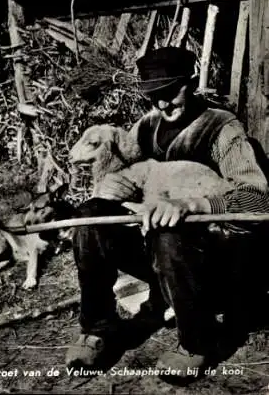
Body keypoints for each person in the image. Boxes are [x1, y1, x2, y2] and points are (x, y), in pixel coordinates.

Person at [65, 47, 269, 380]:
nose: (162, 104)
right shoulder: (147, 126)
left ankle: (197, 341)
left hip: (215, 259)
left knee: (171, 228)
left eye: (170, 92)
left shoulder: (221, 128)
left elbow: (258, 201)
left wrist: (193, 205)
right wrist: (113, 191)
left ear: (191, 83)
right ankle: (98, 327)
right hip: (160, 258)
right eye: (153, 96)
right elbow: (132, 176)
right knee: (91, 217)